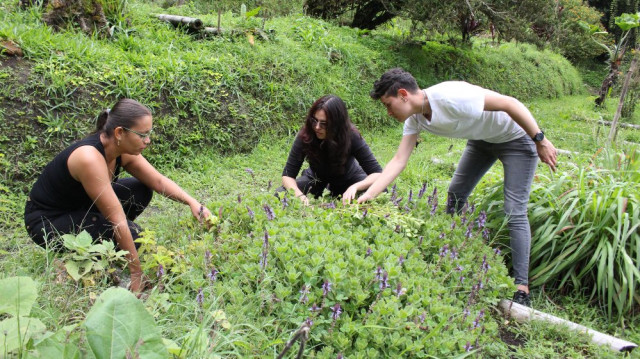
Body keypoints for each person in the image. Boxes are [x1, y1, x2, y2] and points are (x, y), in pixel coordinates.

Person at [357, 68, 558, 307]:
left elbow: (509, 103)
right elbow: (399, 160)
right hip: (482, 140)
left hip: (516, 138)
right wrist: (369, 195)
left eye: (388, 105)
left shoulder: (450, 96)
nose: (388, 112)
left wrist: (540, 139)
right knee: (456, 193)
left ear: (403, 95)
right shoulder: (415, 119)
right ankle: (455, 246)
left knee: (514, 209)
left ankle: (521, 287)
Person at [24, 99, 212, 293]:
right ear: (119, 133)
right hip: (46, 222)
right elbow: (117, 220)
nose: (148, 141)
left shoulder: (121, 150)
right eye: (142, 135)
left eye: (149, 134)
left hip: (81, 206)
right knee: (128, 232)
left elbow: (157, 181)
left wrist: (193, 203)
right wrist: (136, 273)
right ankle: (92, 252)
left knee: (140, 189)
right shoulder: (89, 158)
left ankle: (103, 247)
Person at [281, 95, 383, 205]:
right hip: (316, 179)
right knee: (280, 193)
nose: (317, 127)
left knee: (381, 190)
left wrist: (355, 187)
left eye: (324, 124)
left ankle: (341, 193)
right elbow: (288, 175)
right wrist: (299, 195)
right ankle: (327, 191)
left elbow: (377, 173)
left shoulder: (351, 136)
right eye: (314, 120)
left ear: (336, 124)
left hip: (349, 179)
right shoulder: (306, 135)